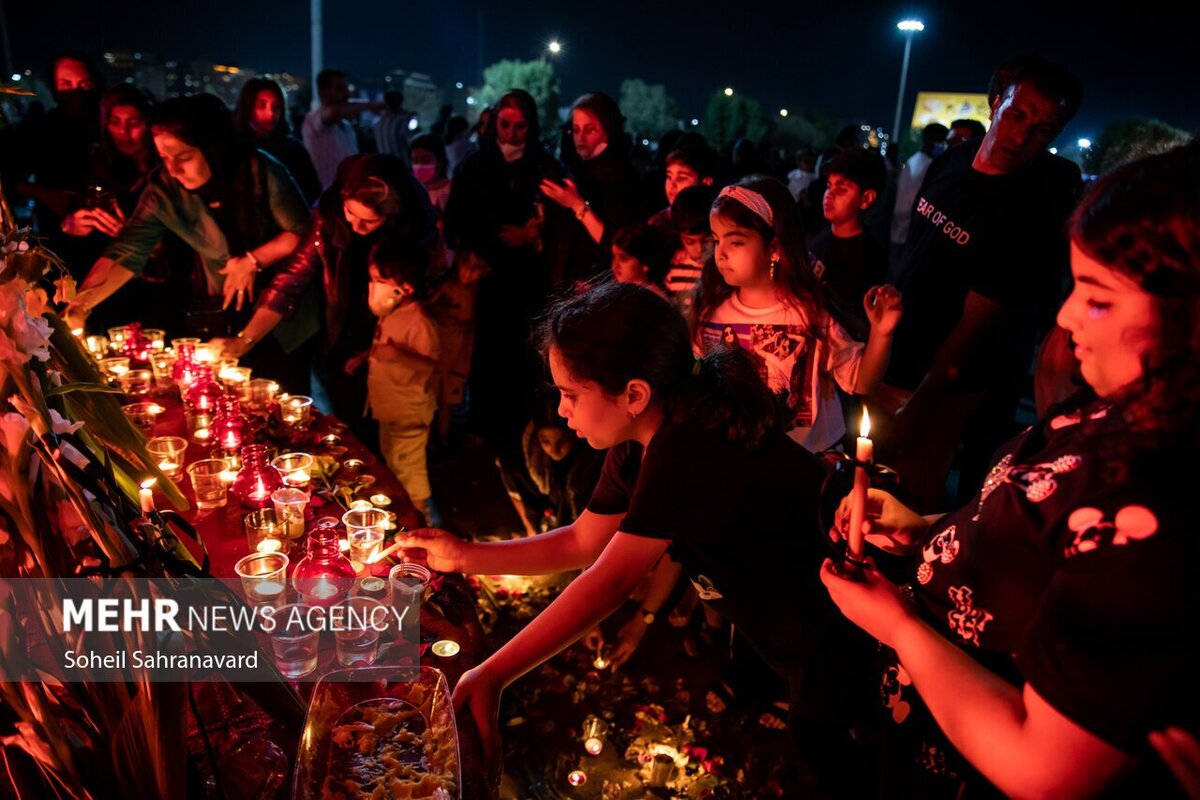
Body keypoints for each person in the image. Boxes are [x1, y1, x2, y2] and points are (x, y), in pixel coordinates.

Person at [821, 144, 1200, 798]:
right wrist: (929, 526)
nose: (1064, 316)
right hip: (929, 722)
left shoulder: (1157, 512)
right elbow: (1041, 520)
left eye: (1099, 299)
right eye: (1073, 286)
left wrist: (899, 627)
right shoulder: (1119, 403)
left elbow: (1044, 767)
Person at [397, 282, 878, 794]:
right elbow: (584, 540)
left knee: (836, 746)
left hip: (834, 619)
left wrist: (493, 674)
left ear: (633, 394)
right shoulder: (642, 437)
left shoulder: (686, 448)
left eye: (570, 394)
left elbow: (609, 582)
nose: (562, 411)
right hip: (777, 616)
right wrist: (464, 556)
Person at [882, 57, 1084, 509]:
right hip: (895, 352)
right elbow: (917, 250)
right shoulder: (951, 162)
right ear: (996, 105)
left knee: (907, 503)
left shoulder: (1028, 213)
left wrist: (921, 405)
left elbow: (978, 322)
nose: (1021, 136)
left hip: (944, 384)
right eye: (1016, 115)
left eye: (1043, 130)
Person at [63, 95, 315, 392]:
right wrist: (81, 303)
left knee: (282, 395)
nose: (173, 170)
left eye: (183, 158)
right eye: (164, 159)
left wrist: (253, 260)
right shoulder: (163, 188)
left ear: (212, 147)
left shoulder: (259, 170)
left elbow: (303, 232)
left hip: (286, 311)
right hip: (224, 309)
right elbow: (128, 251)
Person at [225, 153, 437, 442]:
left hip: (397, 338)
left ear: (391, 215)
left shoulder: (414, 228)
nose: (356, 227)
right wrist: (245, 338)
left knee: (398, 428)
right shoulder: (328, 216)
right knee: (351, 418)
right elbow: (291, 278)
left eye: (369, 221)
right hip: (343, 328)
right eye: (351, 214)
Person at [694, 175, 903, 452]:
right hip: (736, 459)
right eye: (717, 240)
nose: (720, 254)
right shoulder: (712, 314)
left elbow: (861, 380)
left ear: (775, 248)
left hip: (805, 461)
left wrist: (882, 332)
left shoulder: (808, 313)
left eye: (736, 242)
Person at [349, 236, 439, 519]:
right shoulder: (392, 312)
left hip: (408, 414)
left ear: (405, 288)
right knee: (393, 463)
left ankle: (422, 521)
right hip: (388, 409)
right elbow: (383, 345)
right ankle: (406, 517)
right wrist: (364, 356)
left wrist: (397, 355)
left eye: (378, 280)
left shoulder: (420, 322)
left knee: (409, 472)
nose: (372, 286)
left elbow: (431, 367)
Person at [541, 92, 642, 286]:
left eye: (590, 130)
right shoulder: (577, 169)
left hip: (598, 283)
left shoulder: (619, 177)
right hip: (568, 282)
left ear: (608, 131)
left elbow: (616, 243)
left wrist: (577, 205)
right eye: (576, 130)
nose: (581, 138)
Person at [809, 148, 890, 339]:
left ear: (866, 199)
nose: (829, 195)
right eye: (829, 186)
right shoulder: (826, 232)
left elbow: (853, 323)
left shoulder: (866, 258)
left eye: (841, 189)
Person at [427, 248, 488, 444]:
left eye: (476, 269)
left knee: (447, 401)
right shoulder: (447, 287)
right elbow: (429, 309)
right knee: (431, 398)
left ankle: (443, 439)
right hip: (438, 351)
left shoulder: (479, 295)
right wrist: (445, 311)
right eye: (466, 266)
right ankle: (428, 440)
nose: (468, 273)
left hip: (458, 355)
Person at [233, 77, 321, 205]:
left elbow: (312, 190)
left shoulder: (293, 150)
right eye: (262, 105)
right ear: (248, 107)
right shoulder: (234, 148)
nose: (271, 113)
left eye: (276, 107)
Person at [302, 69, 383, 190]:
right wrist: (370, 105)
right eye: (339, 89)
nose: (347, 94)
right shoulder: (313, 119)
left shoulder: (346, 125)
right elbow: (334, 112)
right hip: (326, 195)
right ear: (324, 92)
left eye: (346, 88)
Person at [889, 122, 948, 271]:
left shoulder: (913, 160)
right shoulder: (929, 165)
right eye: (943, 141)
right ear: (930, 141)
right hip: (909, 233)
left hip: (898, 231)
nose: (945, 146)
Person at [662, 184, 718, 311]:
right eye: (689, 242)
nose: (699, 249)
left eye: (707, 240)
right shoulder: (675, 271)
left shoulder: (723, 268)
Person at [609, 222, 670, 297]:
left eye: (623, 258)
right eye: (613, 256)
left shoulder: (651, 299)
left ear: (645, 263)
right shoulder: (620, 289)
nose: (615, 265)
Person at [373, 90, 413, 165]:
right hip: (402, 166)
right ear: (400, 103)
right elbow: (413, 139)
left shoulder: (378, 124)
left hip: (384, 166)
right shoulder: (402, 121)